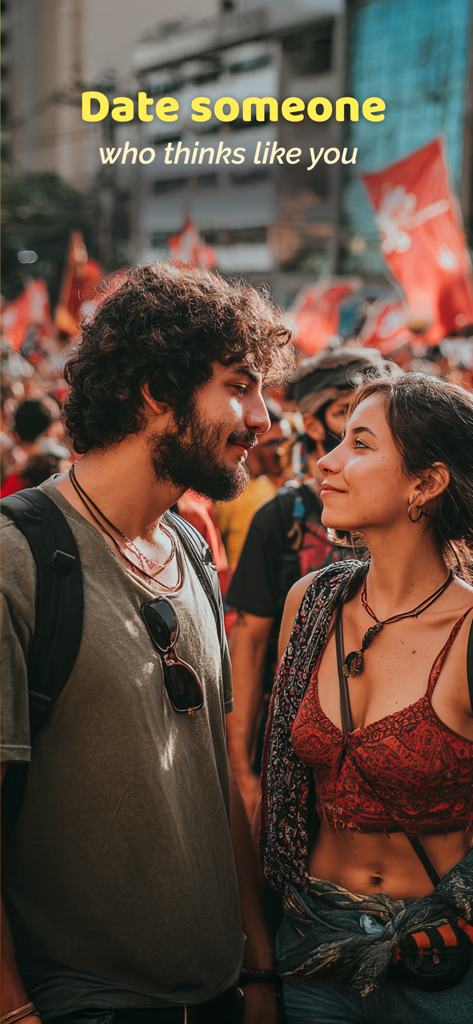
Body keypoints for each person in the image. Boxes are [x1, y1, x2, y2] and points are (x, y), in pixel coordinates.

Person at [1, 262, 294, 1024]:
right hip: (83, 1001)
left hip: (219, 992)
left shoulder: (191, 549)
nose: (263, 418)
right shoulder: (15, 559)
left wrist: (257, 967)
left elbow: (216, 778)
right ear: (157, 391)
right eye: (239, 384)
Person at [260, 372, 473, 1024]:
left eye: (359, 442)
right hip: (311, 940)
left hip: (437, 953)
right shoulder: (310, 604)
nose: (326, 458)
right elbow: (272, 784)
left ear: (425, 483)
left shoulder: (467, 631)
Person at [226, 348, 389, 819]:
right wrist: (243, 771)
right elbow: (251, 645)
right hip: (296, 760)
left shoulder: (427, 534)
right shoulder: (281, 519)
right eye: (345, 415)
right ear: (314, 425)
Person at [215, 406, 287, 569]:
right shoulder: (228, 492)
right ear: (252, 444)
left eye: (284, 441)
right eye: (273, 443)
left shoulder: (271, 486)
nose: (281, 451)